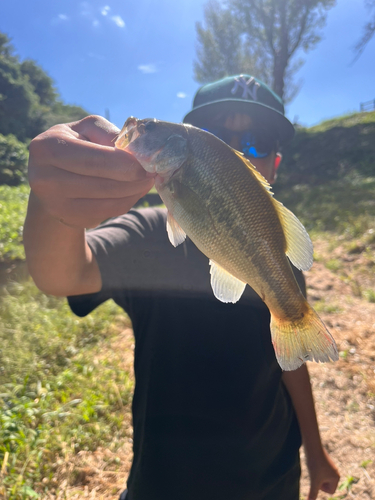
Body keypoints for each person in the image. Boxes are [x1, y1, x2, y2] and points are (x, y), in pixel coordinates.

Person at [24, 75, 340, 500]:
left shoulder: (277, 260)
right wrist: (52, 204)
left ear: (275, 164)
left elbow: (290, 363)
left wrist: (315, 450)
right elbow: (62, 276)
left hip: (273, 475)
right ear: (196, 143)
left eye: (258, 141)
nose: (238, 149)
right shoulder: (149, 234)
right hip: (169, 483)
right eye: (216, 136)